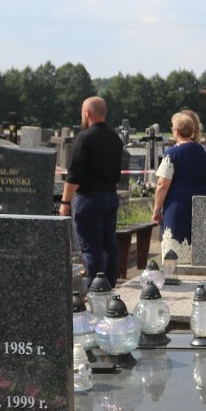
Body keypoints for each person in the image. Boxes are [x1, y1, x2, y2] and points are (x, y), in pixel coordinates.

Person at [61, 96, 125, 286]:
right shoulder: (115, 139)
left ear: (87, 113)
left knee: (91, 247)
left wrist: (65, 202)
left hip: (89, 199)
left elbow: (74, 176)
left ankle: (96, 289)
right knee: (109, 244)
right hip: (110, 196)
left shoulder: (84, 138)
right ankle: (109, 285)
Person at [151, 111, 206, 258]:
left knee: (176, 247)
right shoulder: (204, 151)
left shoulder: (172, 154)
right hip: (201, 202)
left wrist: (157, 209)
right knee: (199, 249)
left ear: (176, 131)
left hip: (178, 204)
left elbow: (162, 184)